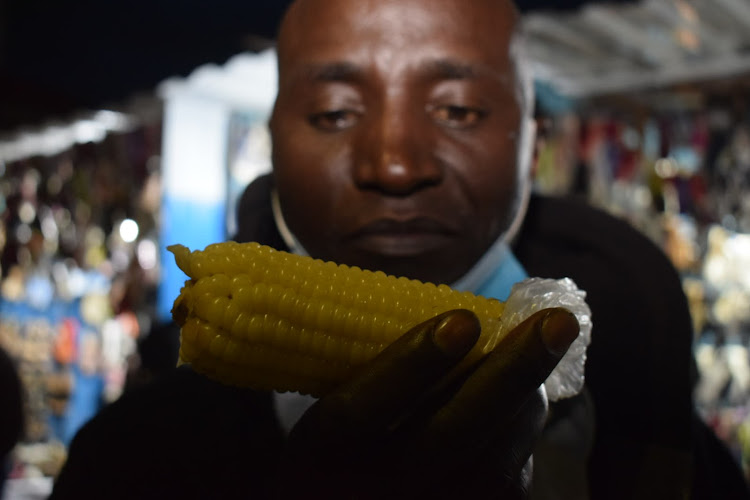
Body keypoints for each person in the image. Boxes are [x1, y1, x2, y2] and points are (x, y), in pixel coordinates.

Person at [49, 0, 749, 498]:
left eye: (459, 110)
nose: (393, 163)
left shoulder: (666, 447)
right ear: (274, 141)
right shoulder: (128, 463)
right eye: (333, 113)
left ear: (532, 148)